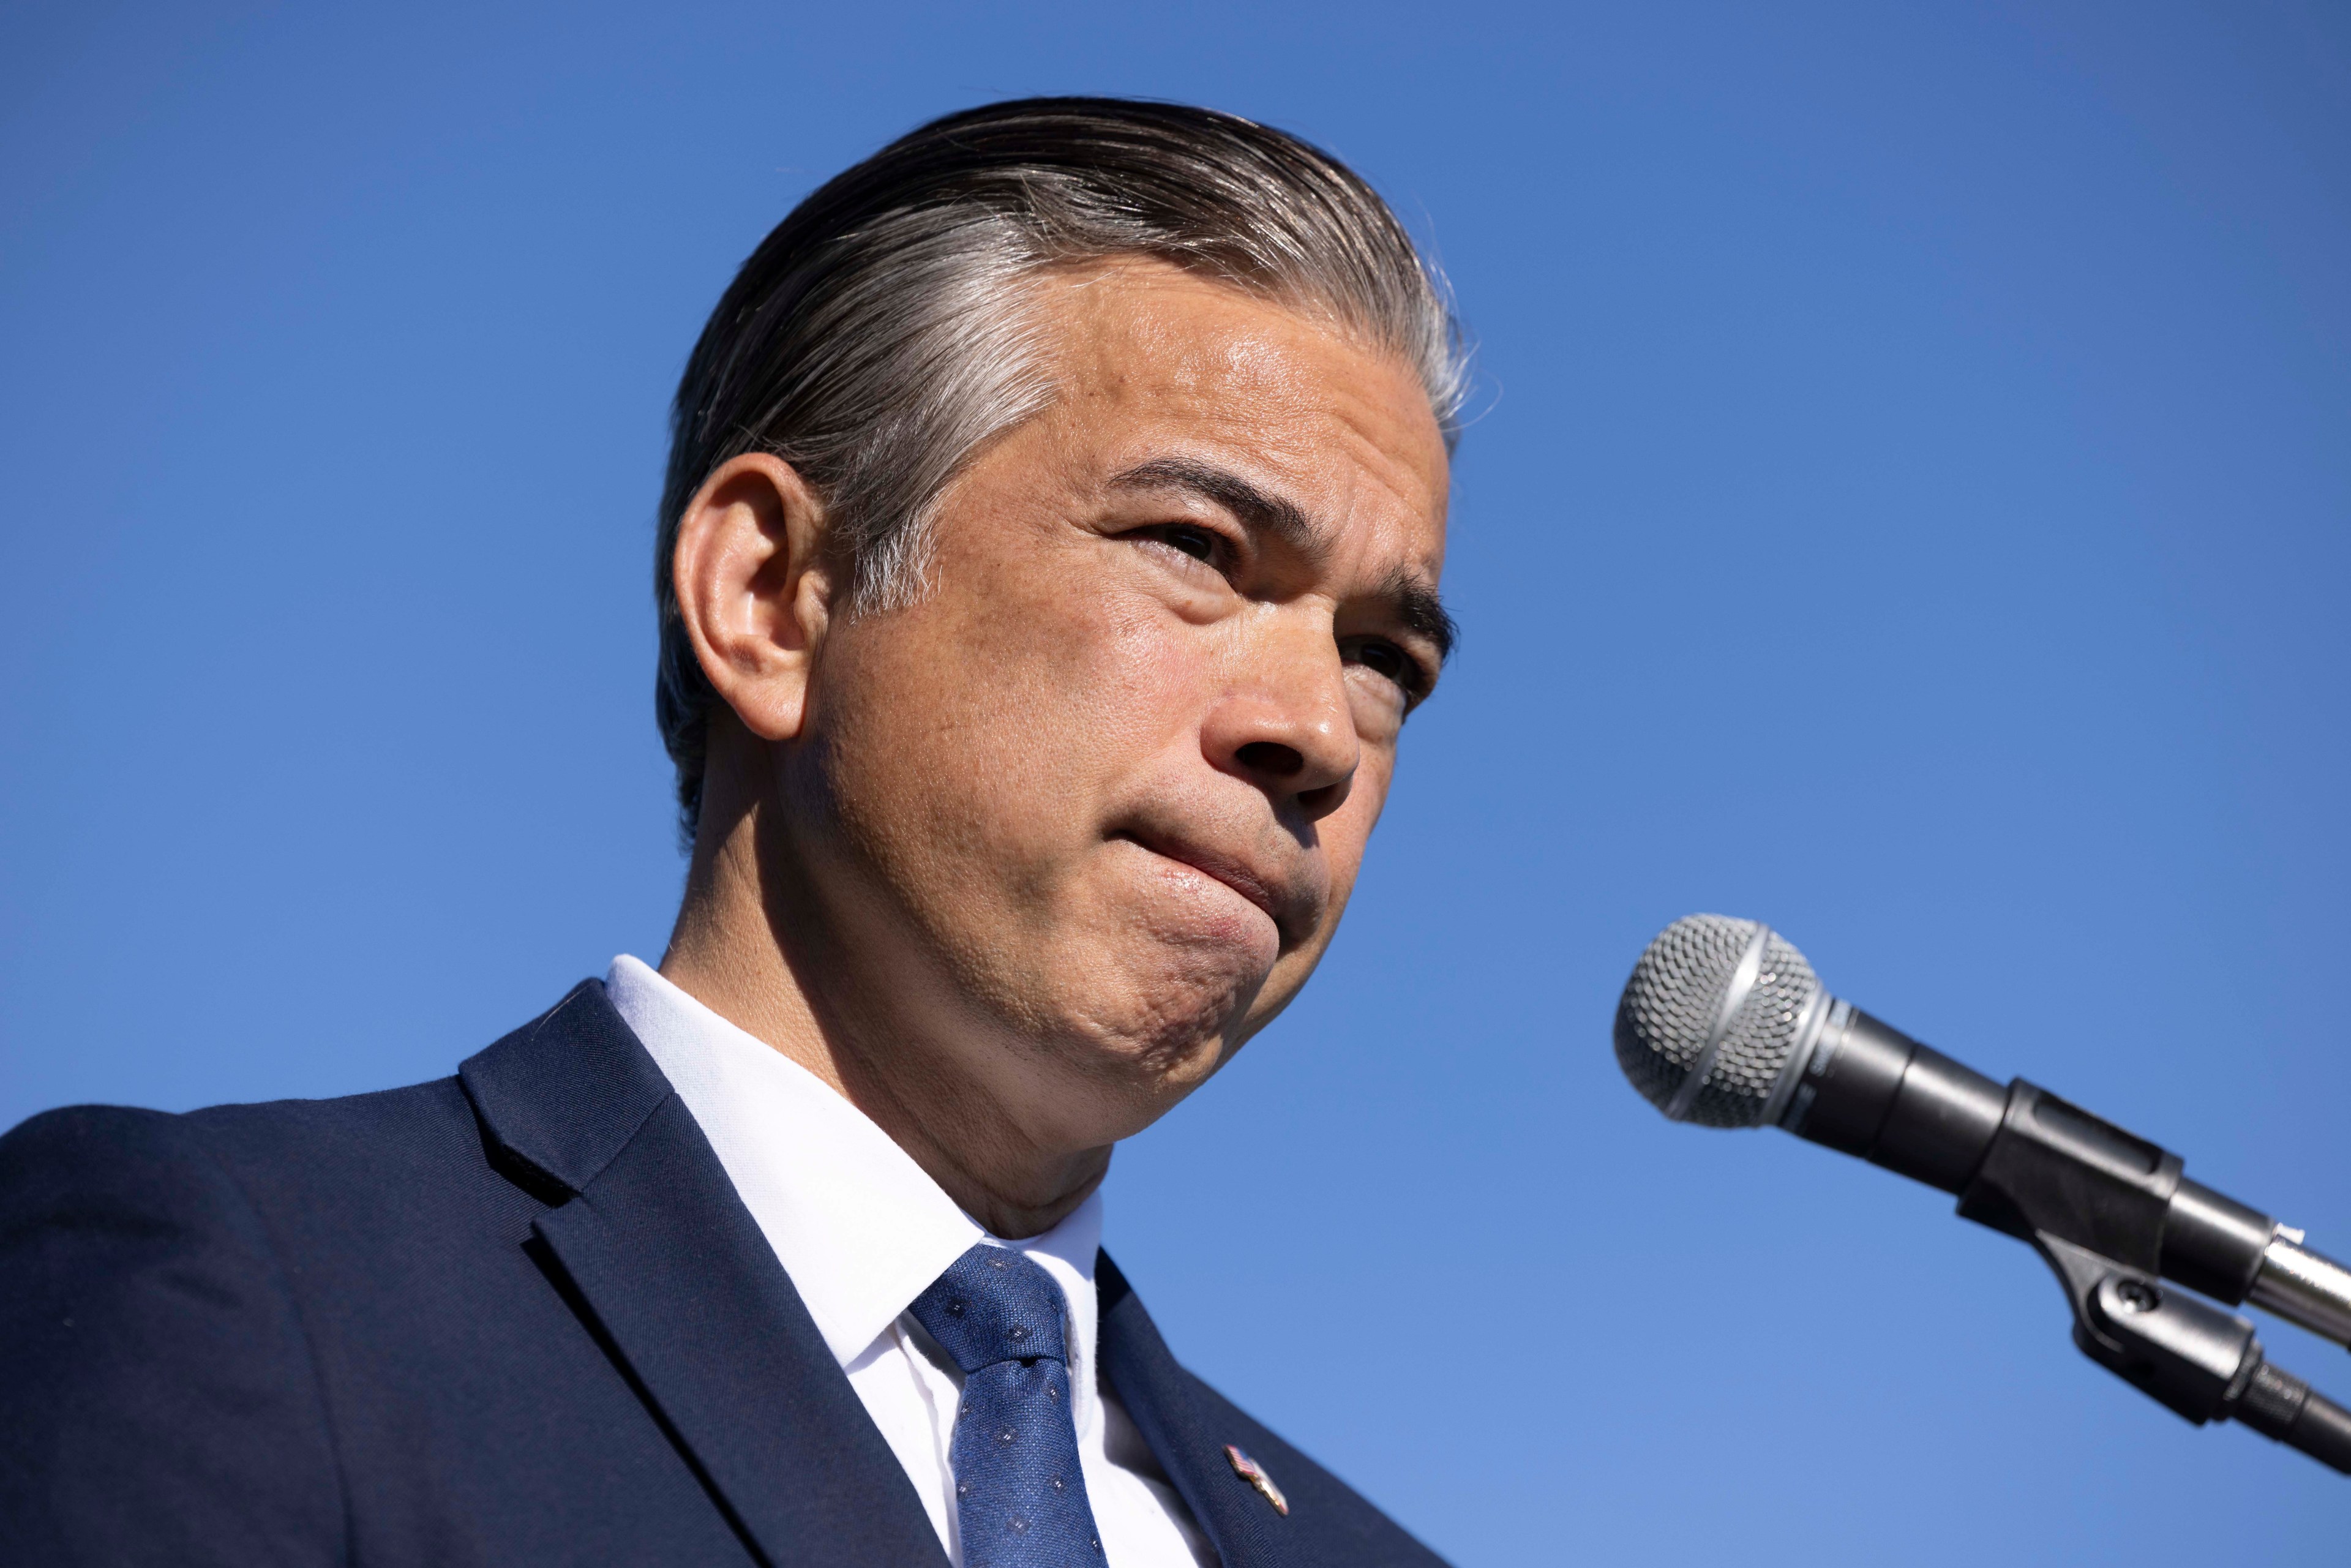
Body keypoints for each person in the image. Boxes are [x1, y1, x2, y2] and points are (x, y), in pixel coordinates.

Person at [0, 97, 1463, 1567]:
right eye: (1195, 550)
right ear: (771, 598)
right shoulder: (250, 1300)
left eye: (1384, 659)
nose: (1319, 731)